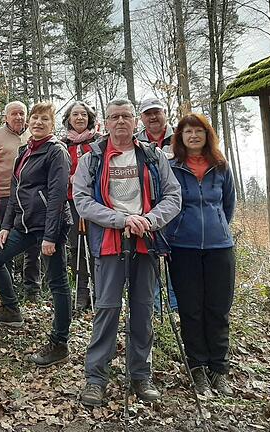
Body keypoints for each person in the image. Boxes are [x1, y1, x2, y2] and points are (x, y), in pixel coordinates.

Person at [73, 98, 181, 407]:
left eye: (126, 116)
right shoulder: (91, 159)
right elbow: (82, 200)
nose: (121, 121)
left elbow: (173, 196)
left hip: (145, 242)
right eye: (114, 117)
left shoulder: (152, 156)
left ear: (135, 122)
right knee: (106, 309)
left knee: (143, 310)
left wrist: (148, 221)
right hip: (109, 244)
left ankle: (140, 375)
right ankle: (95, 378)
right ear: (105, 123)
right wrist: (121, 220)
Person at [0, 102, 73, 366]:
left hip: (48, 227)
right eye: (34, 118)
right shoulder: (25, 151)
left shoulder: (56, 152)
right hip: (24, 225)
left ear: (52, 124)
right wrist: (5, 227)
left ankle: (59, 344)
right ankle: (11, 310)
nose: (37, 122)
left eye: (44, 119)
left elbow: (57, 196)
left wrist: (50, 235)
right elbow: (15, 193)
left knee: (57, 283)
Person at [166, 113, 236, 397]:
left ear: (208, 135)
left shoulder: (220, 167)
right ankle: (197, 368)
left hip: (220, 247)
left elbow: (228, 205)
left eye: (199, 131)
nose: (193, 136)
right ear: (180, 138)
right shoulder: (172, 168)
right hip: (183, 247)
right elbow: (168, 204)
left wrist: (218, 227)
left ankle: (219, 370)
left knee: (218, 309)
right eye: (188, 132)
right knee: (190, 310)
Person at [0, 101, 41, 304]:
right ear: (5, 117)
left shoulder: (33, 135)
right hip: (2, 197)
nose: (19, 117)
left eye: (22, 113)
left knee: (33, 245)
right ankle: (5, 290)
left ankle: (32, 288)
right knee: (4, 243)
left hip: (29, 200)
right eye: (14, 114)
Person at [136, 96, 178, 312]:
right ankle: (155, 308)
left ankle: (175, 306)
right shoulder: (134, 142)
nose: (153, 117)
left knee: (176, 259)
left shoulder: (181, 137)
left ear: (165, 113)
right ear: (141, 117)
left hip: (175, 209)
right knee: (149, 260)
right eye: (147, 113)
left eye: (156, 112)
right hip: (144, 211)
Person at [60, 101, 101, 312]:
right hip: (70, 201)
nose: (79, 118)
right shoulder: (62, 144)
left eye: (83, 115)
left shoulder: (98, 142)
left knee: (95, 247)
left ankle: (99, 291)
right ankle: (81, 292)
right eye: (75, 115)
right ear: (68, 118)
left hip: (95, 201)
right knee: (76, 247)